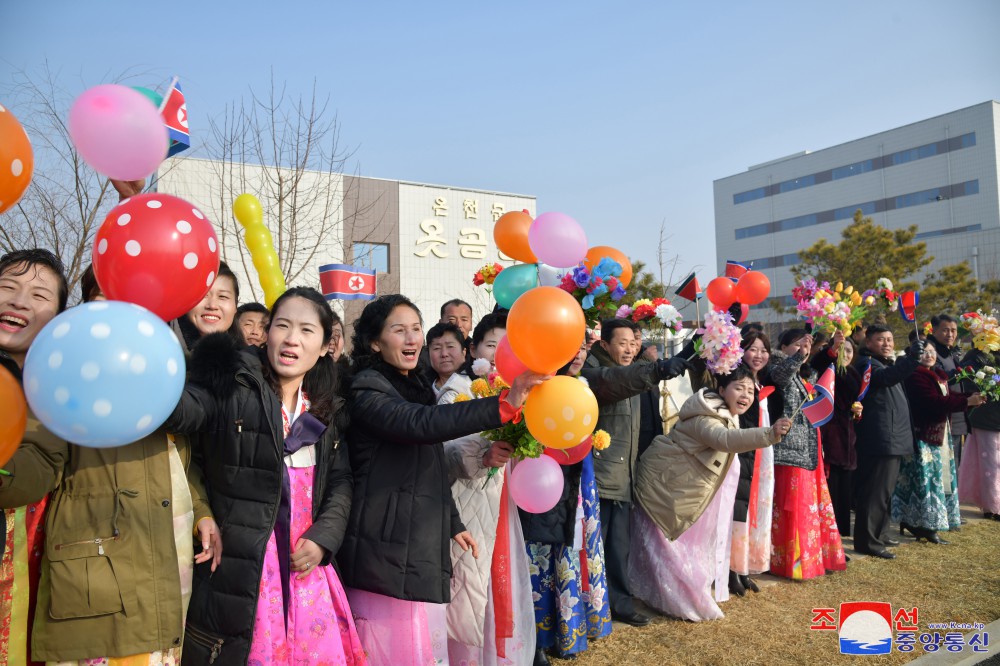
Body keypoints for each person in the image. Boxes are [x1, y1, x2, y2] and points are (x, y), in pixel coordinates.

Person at [9, 276, 219, 665]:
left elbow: (181, 460)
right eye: (102, 298)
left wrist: (202, 512)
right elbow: (37, 464)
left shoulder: (165, 366)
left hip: (168, 567)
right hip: (99, 579)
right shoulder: (63, 370)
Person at [338, 294, 545, 665]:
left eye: (415, 329)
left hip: (416, 540)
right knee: (388, 649)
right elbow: (420, 426)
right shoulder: (366, 388)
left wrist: (452, 522)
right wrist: (503, 404)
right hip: (383, 545)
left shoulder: (414, 386)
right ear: (374, 342)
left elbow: (429, 463)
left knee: (421, 648)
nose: (412, 339)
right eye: (398, 330)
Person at [165, 287, 365, 664]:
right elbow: (183, 413)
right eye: (282, 326)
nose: (292, 339)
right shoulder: (234, 384)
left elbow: (340, 482)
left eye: (307, 330)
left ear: (325, 345)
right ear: (267, 333)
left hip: (307, 567)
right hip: (247, 566)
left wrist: (324, 539)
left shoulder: (325, 407)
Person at [632, 365, 791, 620]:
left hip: (692, 492)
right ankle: (684, 601)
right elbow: (725, 440)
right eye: (739, 388)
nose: (746, 395)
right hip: (671, 491)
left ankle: (692, 595)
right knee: (674, 549)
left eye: (750, 390)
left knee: (693, 549)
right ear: (721, 390)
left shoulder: (727, 412)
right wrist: (769, 434)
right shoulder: (705, 414)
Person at [437, 312, 535, 666]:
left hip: (502, 499)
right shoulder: (458, 390)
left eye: (508, 345)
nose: (499, 353)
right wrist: (482, 456)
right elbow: (441, 451)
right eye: (492, 344)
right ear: (474, 348)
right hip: (468, 502)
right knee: (470, 589)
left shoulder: (517, 391)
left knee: (498, 583)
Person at [585, 318, 688, 627]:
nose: (629, 349)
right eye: (622, 343)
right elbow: (616, 380)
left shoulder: (629, 372)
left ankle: (618, 603)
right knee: (597, 548)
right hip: (600, 478)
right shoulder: (593, 373)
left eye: (634, 343)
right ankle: (593, 606)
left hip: (623, 477)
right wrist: (655, 369)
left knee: (618, 548)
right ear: (604, 345)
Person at [521, 342, 612, 665]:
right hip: (542, 480)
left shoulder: (583, 387)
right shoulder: (533, 388)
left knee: (573, 553)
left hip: (580, 481)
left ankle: (570, 630)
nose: (578, 355)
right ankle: (539, 638)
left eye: (582, 347)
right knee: (541, 560)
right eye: (568, 347)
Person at [0, 249, 69, 666]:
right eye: (7, 288)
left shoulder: (53, 397)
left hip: (20, 584)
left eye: (39, 295)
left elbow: (33, 474)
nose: (19, 300)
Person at [767, 329, 846, 578]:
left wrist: (830, 349)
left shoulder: (803, 371)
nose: (802, 349)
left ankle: (813, 556)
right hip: (788, 448)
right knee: (791, 507)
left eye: (806, 344)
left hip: (808, 447)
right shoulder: (776, 363)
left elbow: (817, 366)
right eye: (796, 343)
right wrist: (798, 357)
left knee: (809, 505)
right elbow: (779, 377)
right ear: (783, 345)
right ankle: (791, 562)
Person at [894, 344, 984, 543]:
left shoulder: (936, 374)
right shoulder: (915, 375)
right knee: (925, 482)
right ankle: (923, 524)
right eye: (924, 351)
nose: (929, 355)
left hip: (939, 434)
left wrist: (970, 398)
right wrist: (967, 402)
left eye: (932, 352)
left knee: (936, 480)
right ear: (914, 355)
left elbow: (947, 397)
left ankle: (922, 524)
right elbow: (933, 402)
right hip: (923, 436)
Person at [853, 325, 924, 558]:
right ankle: (868, 542)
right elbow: (885, 379)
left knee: (885, 492)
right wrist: (912, 357)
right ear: (869, 342)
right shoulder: (867, 363)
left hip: (893, 437)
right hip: (881, 437)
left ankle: (881, 534)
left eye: (890, 339)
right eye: (881, 339)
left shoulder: (885, 363)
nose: (887, 343)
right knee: (874, 492)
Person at [728, 329, 776, 596]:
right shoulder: (733, 378)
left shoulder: (762, 382)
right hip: (741, 451)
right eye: (753, 349)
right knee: (736, 513)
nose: (759, 355)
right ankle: (731, 571)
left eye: (763, 350)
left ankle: (743, 567)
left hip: (761, 455)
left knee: (753, 511)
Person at [809, 332, 864, 537]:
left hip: (848, 437)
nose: (846, 354)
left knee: (844, 493)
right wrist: (832, 350)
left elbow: (851, 402)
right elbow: (818, 361)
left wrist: (856, 411)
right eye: (842, 350)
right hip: (830, 435)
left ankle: (839, 538)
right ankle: (827, 537)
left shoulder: (854, 373)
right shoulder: (829, 368)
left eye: (849, 350)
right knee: (830, 491)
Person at [958, 345, 1000, 520]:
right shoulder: (980, 355)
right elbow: (965, 377)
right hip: (987, 418)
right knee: (991, 464)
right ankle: (993, 505)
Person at [925, 315, 968, 465]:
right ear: (934, 330)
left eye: (953, 330)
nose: (950, 334)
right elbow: (941, 382)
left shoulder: (949, 353)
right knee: (948, 468)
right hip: (944, 421)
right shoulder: (931, 353)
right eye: (945, 330)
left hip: (958, 416)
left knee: (957, 465)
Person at [172, 261, 240, 353]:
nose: (212, 305)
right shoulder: (160, 345)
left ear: (235, 306)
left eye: (222, 297)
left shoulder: (249, 362)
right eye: (203, 295)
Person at [426, 321, 468, 401]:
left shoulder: (477, 383)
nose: (444, 354)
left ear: (464, 352)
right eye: (437, 348)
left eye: (450, 346)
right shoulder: (421, 390)